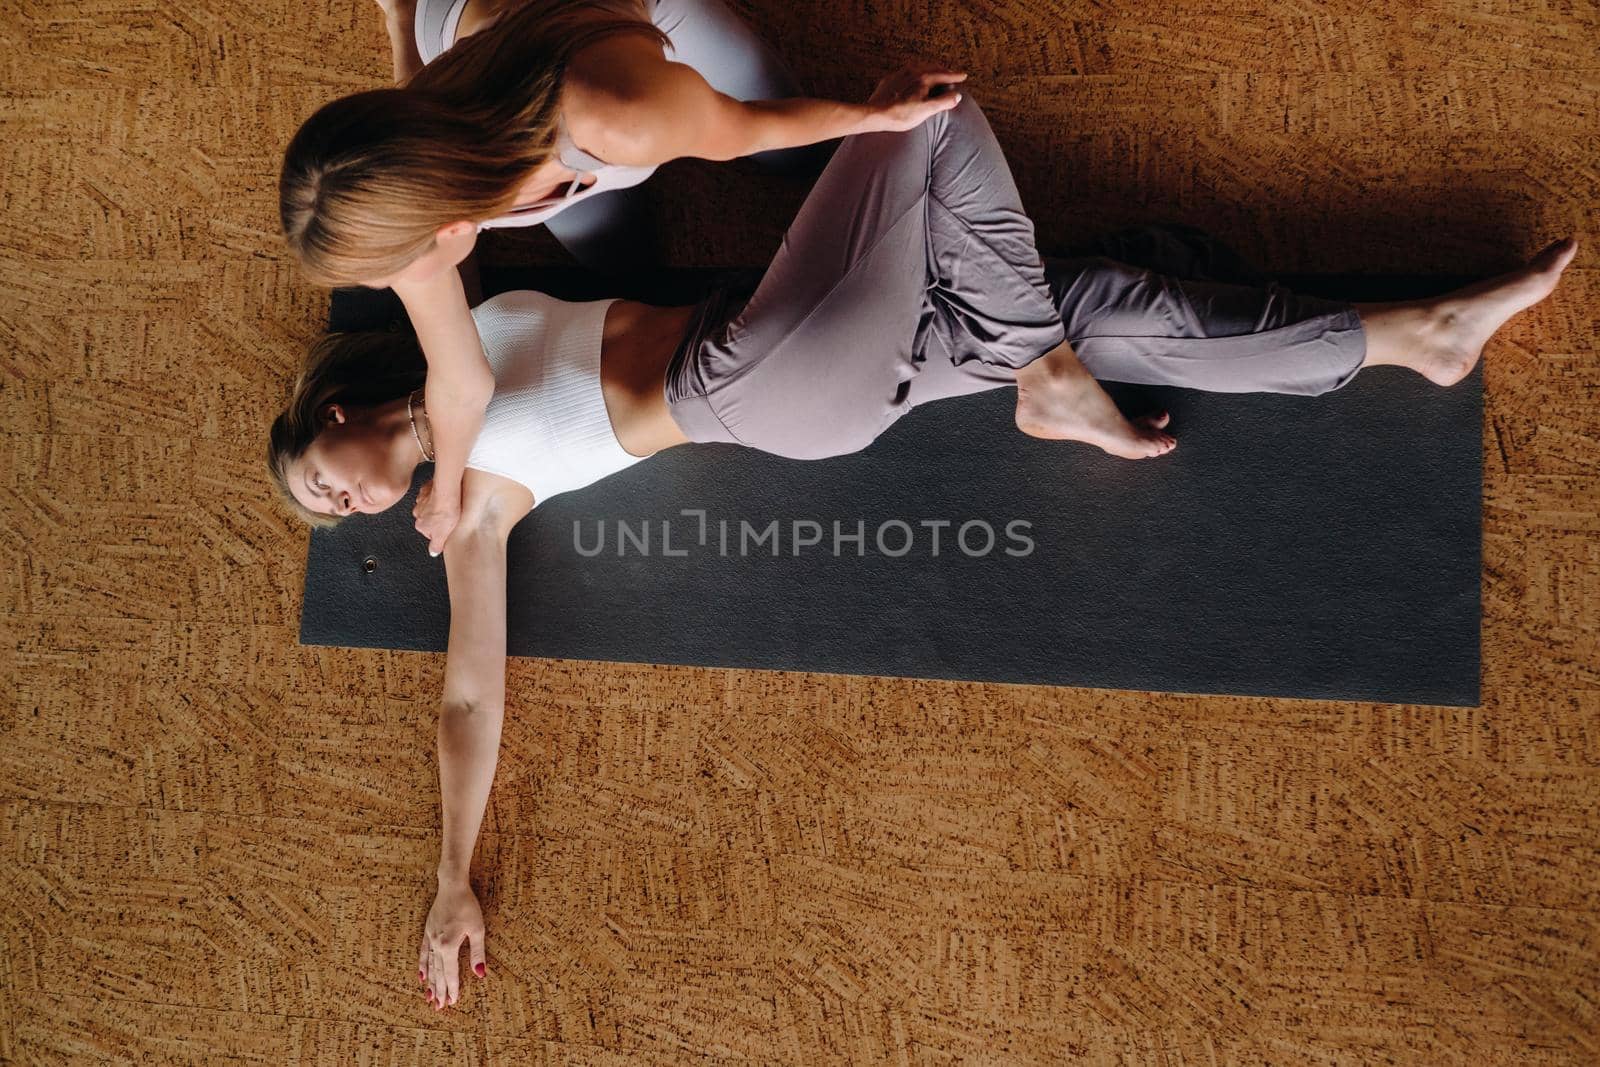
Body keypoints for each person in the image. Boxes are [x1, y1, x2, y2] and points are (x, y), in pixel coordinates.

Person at [268, 93, 1576, 1010]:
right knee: (928, 118)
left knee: (1104, 301)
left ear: (334, 414)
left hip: (780, 316)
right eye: (338, 517)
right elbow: (468, 693)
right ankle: (1045, 374)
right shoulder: (470, 512)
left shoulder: (464, 342)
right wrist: (452, 877)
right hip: (767, 376)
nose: (354, 507)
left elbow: (404, 215)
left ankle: (1413, 339)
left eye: (324, 484)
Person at [282, 0, 965, 561]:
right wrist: (451, 486)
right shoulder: (410, 180)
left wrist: (878, 116)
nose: (404, 281)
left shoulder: (621, 113)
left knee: (802, 154)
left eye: (400, 265)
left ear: (449, 224)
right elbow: (462, 383)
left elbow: (745, 129)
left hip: (604, 36)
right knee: (622, 268)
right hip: (457, 30)